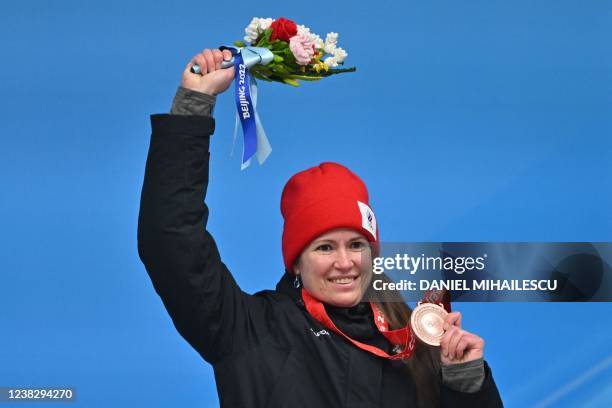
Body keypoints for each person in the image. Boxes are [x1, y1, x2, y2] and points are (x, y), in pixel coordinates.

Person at [138, 48, 504, 407]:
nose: (345, 262)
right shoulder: (248, 330)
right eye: (325, 247)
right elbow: (171, 239)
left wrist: (464, 384)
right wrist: (193, 105)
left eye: (357, 245)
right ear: (296, 260)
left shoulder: (411, 344)